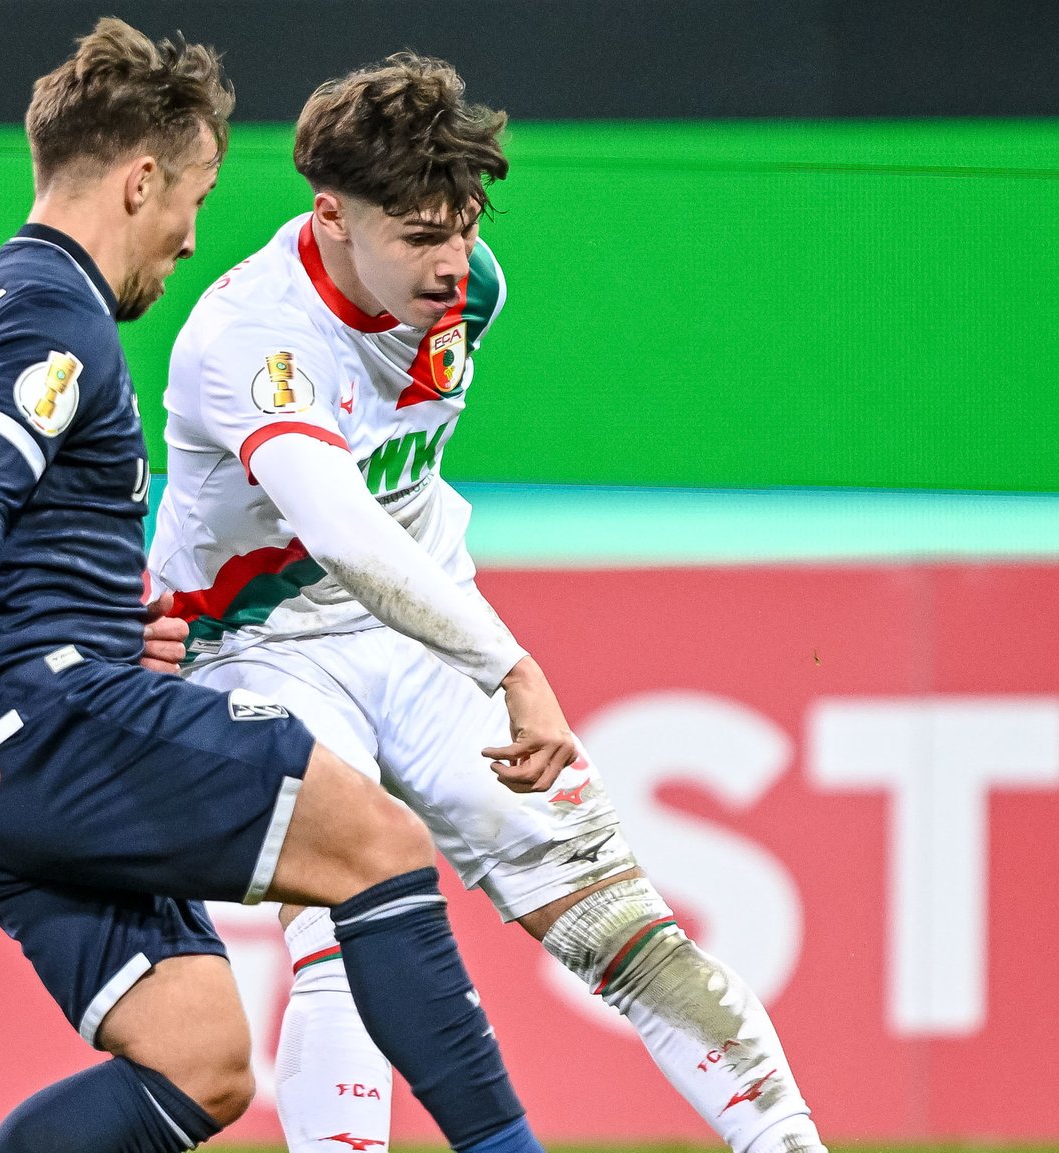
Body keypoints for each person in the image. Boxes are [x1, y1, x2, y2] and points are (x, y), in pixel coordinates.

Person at [0, 20, 556, 1153]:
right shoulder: (56, 310)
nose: (190, 239)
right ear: (140, 181)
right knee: (373, 843)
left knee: (198, 1059)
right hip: (29, 720)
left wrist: (95, 620)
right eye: (192, 195)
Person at [149, 52, 830, 1153]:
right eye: (418, 236)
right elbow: (345, 533)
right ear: (329, 216)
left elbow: (398, 516)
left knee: (616, 918)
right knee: (337, 919)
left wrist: (474, 656)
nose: (450, 264)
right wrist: (510, 668)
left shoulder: (474, 289)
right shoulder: (247, 341)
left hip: (413, 625)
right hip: (256, 644)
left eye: (462, 225)